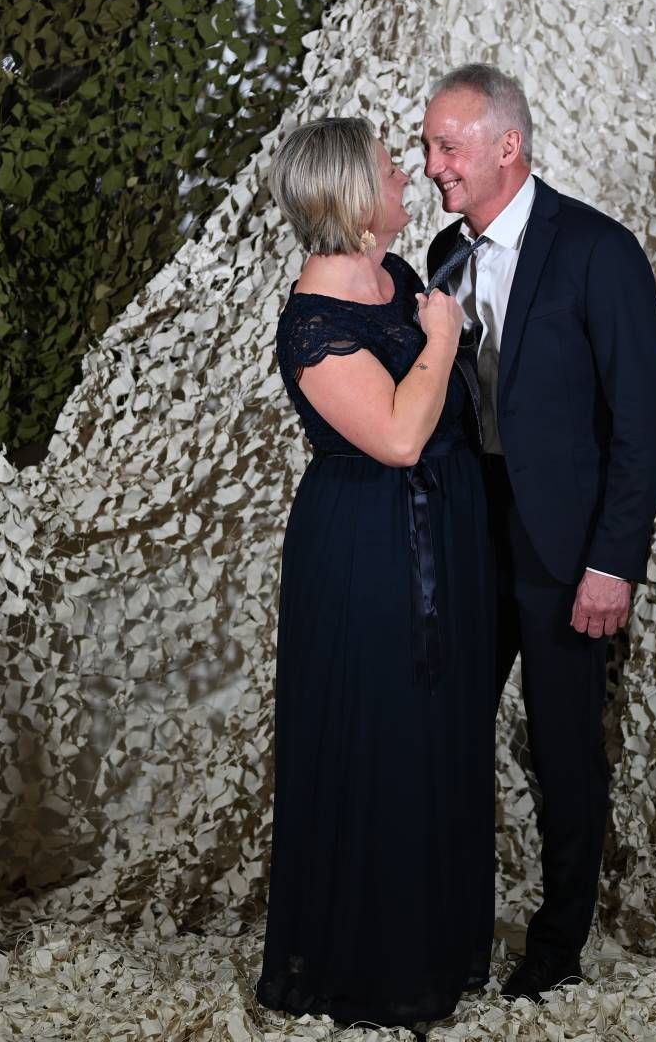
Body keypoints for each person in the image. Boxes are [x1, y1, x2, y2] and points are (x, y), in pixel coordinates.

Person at [422, 64, 656, 1000]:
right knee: (446, 736)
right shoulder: (442, 254)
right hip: (468, 530)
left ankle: (557, 949)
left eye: (449, 146)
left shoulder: (599, 251)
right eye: (428, 147)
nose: (434, 164)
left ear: (508, 146)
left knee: (564, 753)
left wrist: (614, 561)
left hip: (568, 551)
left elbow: (643, 423)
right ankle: (447, 933)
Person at [254, 116, 498, 1028]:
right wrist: (441, 338)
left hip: (442, 533)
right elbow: (397, 437)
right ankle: (374, 971)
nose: (408, 177)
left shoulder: (394, 273)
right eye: (392, 168)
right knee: (381, 738)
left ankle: (436, 947)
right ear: (355, 196)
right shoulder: (313, 325)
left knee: (436, 737)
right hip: (369, 548)